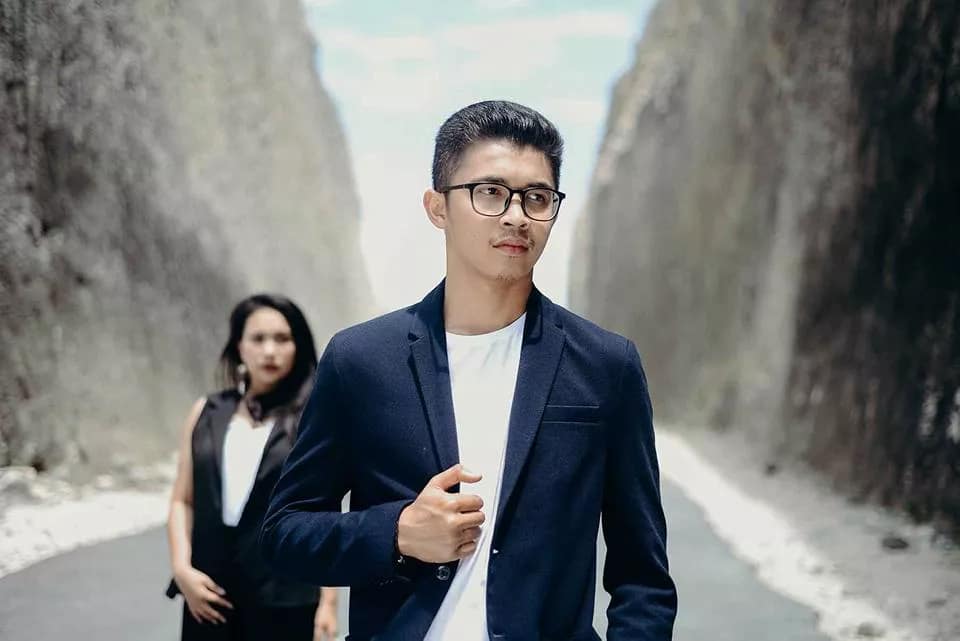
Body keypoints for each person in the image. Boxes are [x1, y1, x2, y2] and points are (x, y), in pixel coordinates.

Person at [261, 101, 677, 640]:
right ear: (438, 207)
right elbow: (284, 535)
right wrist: (397, 533)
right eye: (490, 192)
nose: (516, 215)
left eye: (537, 197)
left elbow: (642, 573)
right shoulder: (360, 361)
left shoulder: (606, 366)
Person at [166, 294, 338, 640]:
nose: (270, 351)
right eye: (258, 339)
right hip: (208, 596)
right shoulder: (206, 412)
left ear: (298, 348)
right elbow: (182, 500)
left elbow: (324, 514)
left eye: (282, 339)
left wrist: (328, 603)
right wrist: (182, 569)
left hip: (285, 600)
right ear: (239, 347)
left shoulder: (313, 420)